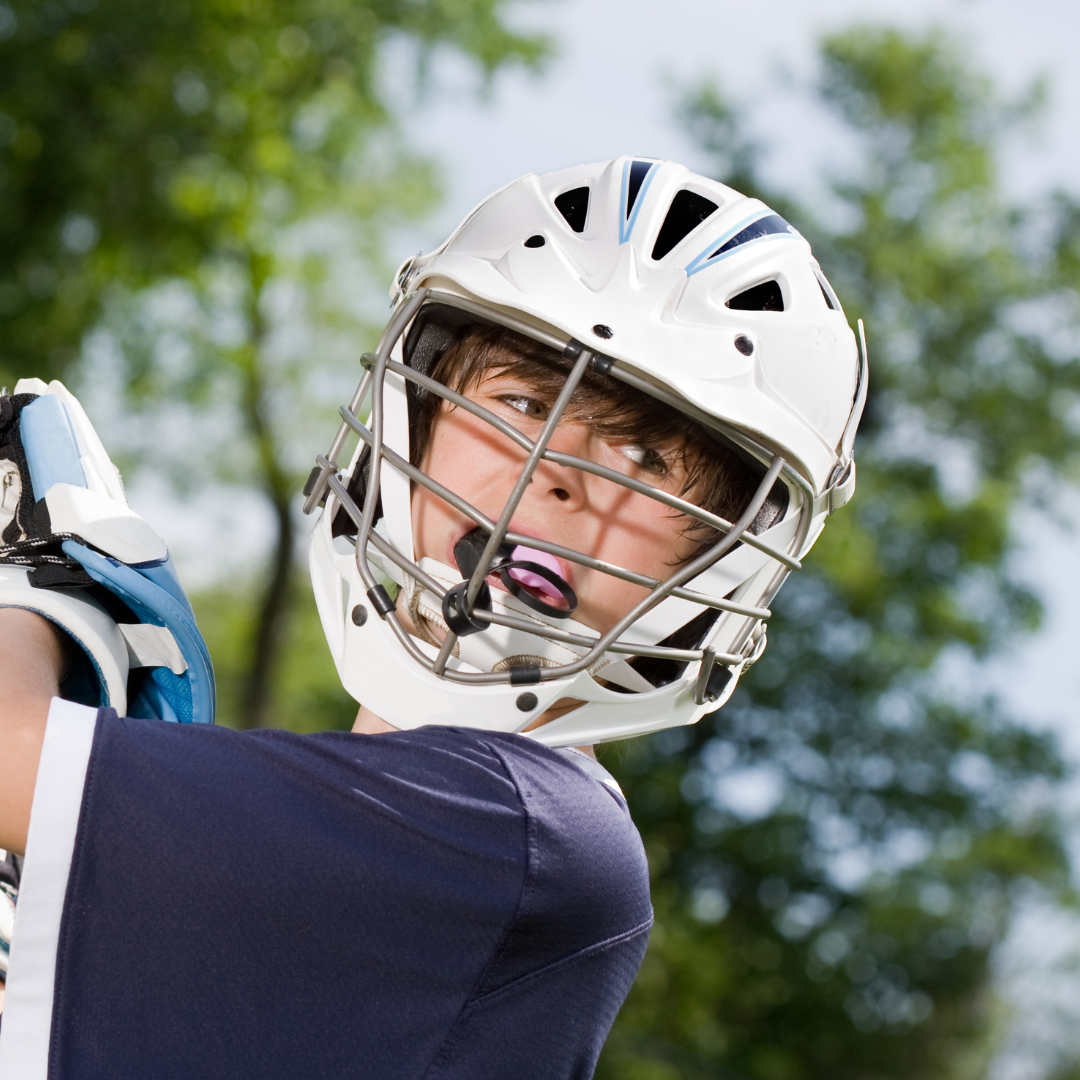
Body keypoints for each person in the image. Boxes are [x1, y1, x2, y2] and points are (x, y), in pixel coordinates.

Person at [0, 157, 865, 1079]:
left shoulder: (534, 834)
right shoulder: (345, 888)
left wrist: (41, 586)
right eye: (524, 402)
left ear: (718, 560)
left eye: (646, 461)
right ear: (414, 405)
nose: (558, 473)